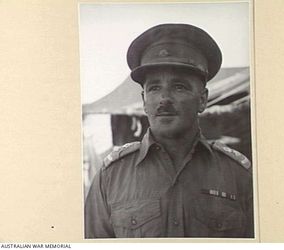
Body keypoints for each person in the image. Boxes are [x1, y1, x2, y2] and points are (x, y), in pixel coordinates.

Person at [84, 23, 254, 238]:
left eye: (179, 86)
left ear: (203, 100)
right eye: (154, 88)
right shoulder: (110, 177)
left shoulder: (238, 175)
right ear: (144, 101)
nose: (164, 99)